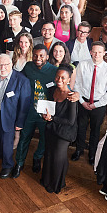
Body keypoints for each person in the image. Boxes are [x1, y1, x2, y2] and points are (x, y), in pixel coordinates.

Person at [13, 45, 59, 178]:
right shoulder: (28, 66)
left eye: (41, 56)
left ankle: (37, 158)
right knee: (24, 138)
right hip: (30, 110)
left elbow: (64, 85)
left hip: (46, 112)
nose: (38, 58)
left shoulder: (54, 70)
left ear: (47, 57)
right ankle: (19, 163)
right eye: (35, 55)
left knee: (44, 139)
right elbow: (18, 78)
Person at [0, 53, 31, 178]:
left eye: (6, 65)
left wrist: (20, 123)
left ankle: (7, 165)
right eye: (0, 65)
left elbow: (24, 105)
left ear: (12, 65)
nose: (2, 68)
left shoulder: (22, 80)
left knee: (7, 143)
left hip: (9, 117)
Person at [72, 41, 107, 164]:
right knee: (80, 127)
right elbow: (76, 84)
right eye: (94, 52)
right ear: (90, 52)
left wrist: (96, 104)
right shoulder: (82, 65)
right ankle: (79, 150)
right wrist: (82, 101)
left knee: (95, 130)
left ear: (104, 53)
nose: (96, 55)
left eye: (99, 52)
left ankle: (92, 154)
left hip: (99, 104)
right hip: (83, 102)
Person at [40, 65, 78, 193]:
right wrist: (44, 115)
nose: (59, 79)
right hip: (51, 127)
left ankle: (56, 184)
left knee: (58, 158)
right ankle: (46, 180)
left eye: (63, 77)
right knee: (49, 154)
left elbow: (70, 121)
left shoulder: (72, 97)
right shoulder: (51, 90)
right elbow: (47, 107)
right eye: (57, 76)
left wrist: (52, 118)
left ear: (68, 79)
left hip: (65, 132)